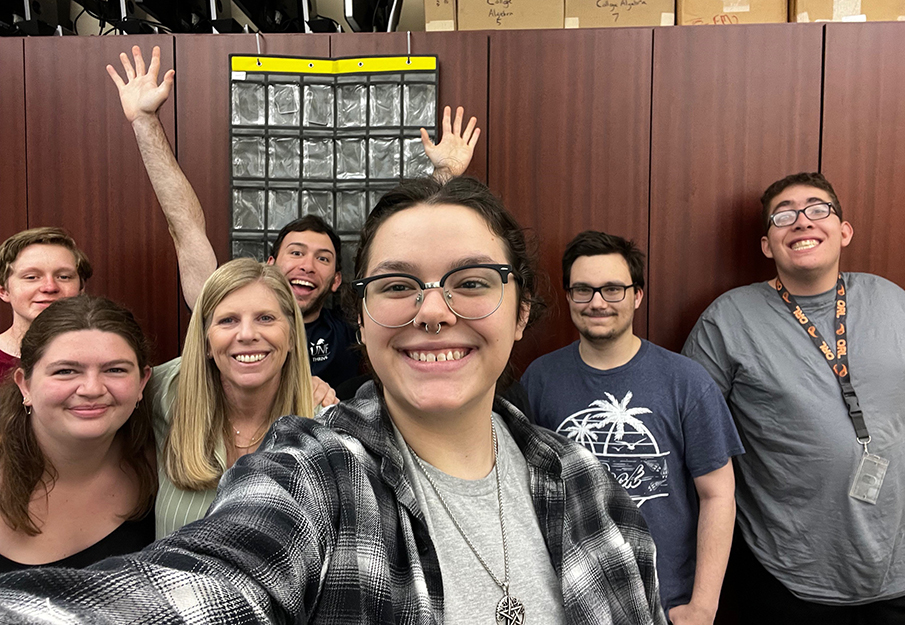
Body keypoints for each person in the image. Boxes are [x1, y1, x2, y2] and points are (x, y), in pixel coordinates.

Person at [0, 177, 666, 625]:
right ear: (362, 319)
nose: (432, 310)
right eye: (399, 285)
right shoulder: (311, 474)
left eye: (469, 281)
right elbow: (196, 586)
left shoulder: (589, 486)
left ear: (521, 312)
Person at [106, 45, 481, 391]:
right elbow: (185, 229)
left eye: (322, 258)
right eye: (296, 253)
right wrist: (144, 121)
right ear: (270, 264)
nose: (307, 266)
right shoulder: (232, 313)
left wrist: (445, 172)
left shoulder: (356, 329)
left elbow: (403, 235)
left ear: (337, 281)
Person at [682, 172, 905, 624]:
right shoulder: (728, 320)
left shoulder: (891, 299)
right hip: (785, 576)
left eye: (817, 209)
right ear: (768, 245)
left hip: (897, 573)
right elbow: (686, 430)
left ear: (843, 231)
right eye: (784, 216)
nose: (802, 222)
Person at [521, 231, 743, 624]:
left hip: (666, 604)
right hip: (570, 601)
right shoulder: (539, 379)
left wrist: (703, 607)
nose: (597, 303)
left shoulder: (686, 382)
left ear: (637, 295)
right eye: (583, 290)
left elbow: (718, 495)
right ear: (569, 296)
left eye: (612, 289)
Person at [148, 257, 314, 538]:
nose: (247, 334)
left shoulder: (323, 425)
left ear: (292, 337)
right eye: (228, 320)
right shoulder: (164, 392)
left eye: (265, 318)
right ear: (207, 341)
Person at [0, 295, 155, 571]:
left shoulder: (165, 468)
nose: (92, 389)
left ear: (142, 382)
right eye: (66, 371)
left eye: (115, 370)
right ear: (25, 385)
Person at [0, 228, 92, 380]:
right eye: (31, 277)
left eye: (64, 277)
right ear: (4, 291)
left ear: (81, 289)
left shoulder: (110, 356)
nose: (50, 287)